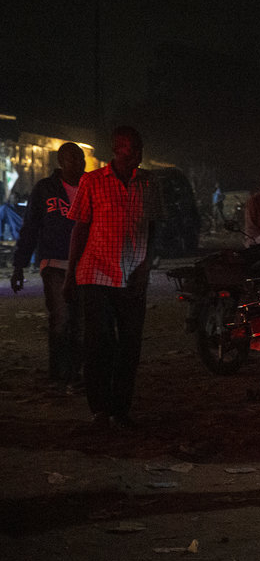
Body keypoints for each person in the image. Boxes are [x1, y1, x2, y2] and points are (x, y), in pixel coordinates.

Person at [64, 126, 163, 429]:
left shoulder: (149, 184)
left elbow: (155, 228)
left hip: (133, 277)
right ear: (118, 149)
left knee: (130, 346)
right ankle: (100, 410)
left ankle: (120, 409)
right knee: (99, 343)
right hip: (95, 273)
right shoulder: (92, 181)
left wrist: (146, 267)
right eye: (133, 148)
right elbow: (80, 229)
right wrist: (70, 274)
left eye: (140, 148)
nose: (139, 154)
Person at [11, 142, 87, 391]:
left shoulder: (92, 187)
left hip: (86, 264)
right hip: (54, 262)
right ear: (61, 162)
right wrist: (19, 265)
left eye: (80, 158)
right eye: (72, 158)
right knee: (61, 318)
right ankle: (59, 373)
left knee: (80, 321)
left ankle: (76, 372)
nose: (78, 163)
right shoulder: (45, 189)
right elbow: (30, 227)